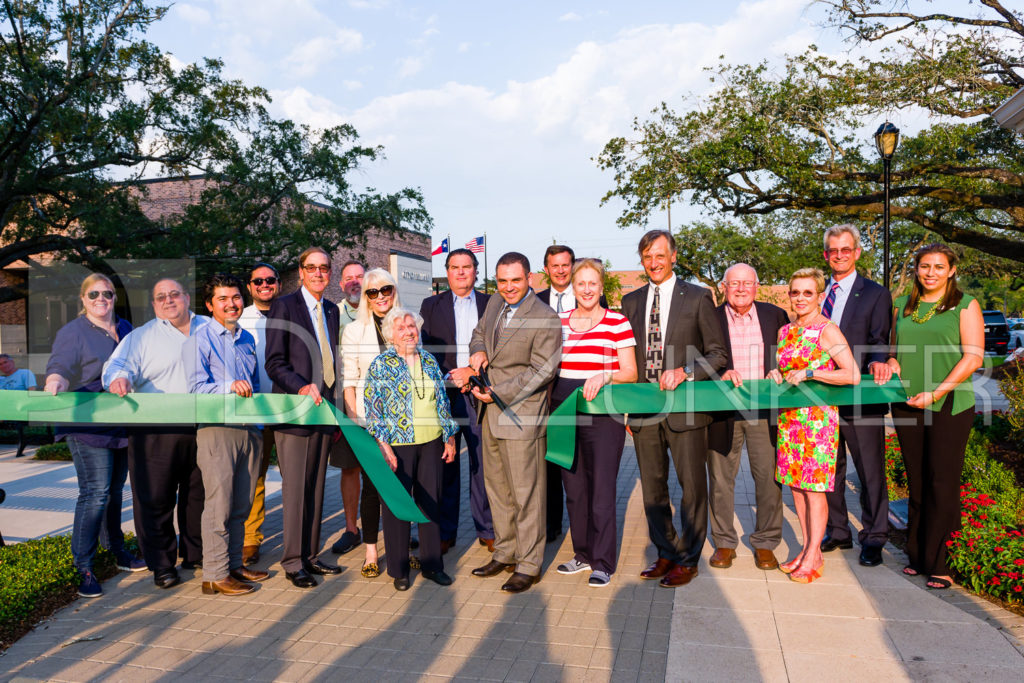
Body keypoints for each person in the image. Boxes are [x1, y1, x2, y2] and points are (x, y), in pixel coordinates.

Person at [620, 230, 728, 588]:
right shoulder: (630, 301)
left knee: (692, 487)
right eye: (647, 256)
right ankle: (665, 551)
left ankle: (689, 558)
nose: (654, 263)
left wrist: (685, 372)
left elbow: (718, 355)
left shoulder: (698, 298)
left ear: (674, 257)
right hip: (644, 410)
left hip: (686, 409)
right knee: (652, 488)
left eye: (660, 256)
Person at [874, 243, 983, 590]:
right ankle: (917, 554)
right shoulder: (903, 306)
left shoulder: (965, 305)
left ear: (951, 270)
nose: (930, 272)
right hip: (907, 402)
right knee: (917, 480)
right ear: (917, 269)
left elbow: (973, 358)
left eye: (938, 266)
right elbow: (895, 351)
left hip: (949, 403)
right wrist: (892, 363)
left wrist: (937, 392)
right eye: (924, 266)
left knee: (942, 482)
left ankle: (941, 562)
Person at [103, 277, 209, 590]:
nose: (168, 300)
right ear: (154, 304)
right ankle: (162, 564)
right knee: (155, 499)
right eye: (160, 296)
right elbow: (116, 365)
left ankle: (196, 553)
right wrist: (118, 380)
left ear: (187, 298)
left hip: (203, 425)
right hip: (154, 430)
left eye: (174, 294)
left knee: (198, 496)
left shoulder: (209, 328)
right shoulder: (142, 337)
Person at [44, 273, 145, 598]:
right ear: (83, 300)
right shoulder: (73, 332)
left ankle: (115, 550)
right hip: (87, 426)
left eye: (108, 294)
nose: (101, 299)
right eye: (94, 294)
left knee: (115, 492)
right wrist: (55, 381)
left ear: (115, 297)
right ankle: (84, 567)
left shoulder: (127, 329)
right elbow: (59, 365)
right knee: (96, 493)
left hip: (121, 425)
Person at [467, 252, 561, 594]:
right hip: (489, 413)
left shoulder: (545, 317)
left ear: (530, 279)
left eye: (515, 280)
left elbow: (543, 370)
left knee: (526, 494)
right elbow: (478, 333)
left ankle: (529, 563)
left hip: (520, 414)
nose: (508, 287)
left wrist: (499, 392)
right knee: (498, 490)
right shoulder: (494, 303)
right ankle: (505, 552)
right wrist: (477, 349)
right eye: (502, 280)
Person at [768, 268, 860, 584]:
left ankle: (813, 555)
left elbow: (852, 375)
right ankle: (809, 550)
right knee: (796, 488)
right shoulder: (785, 331)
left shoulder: (827, 331)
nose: (801, 298)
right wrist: (777, 375)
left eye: (808, 293)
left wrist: (811, 373)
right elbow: (786, 369)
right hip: (790, 418)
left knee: (814, 489)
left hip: (817, 421)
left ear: (820, 297)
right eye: (796, 292)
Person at [551, 258, 637, 587]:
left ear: (602, 288)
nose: (587, 289)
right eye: (581, 283)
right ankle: (582, 554)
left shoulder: (617, 322)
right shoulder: (558, 322)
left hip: (603, 413)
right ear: (573, 288)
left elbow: (630, 372)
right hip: (564, 411)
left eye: (593, 284)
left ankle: (603, 562)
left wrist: (605, 374)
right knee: (574, 490)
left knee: (601, 490)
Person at [183, 273, 269, 596]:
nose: (231, 304)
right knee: (218, 505)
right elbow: (194, 388)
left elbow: (255, 386)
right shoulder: (199, 340)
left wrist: (258, 428)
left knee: (241, 505)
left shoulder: (246, 338)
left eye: (235, 298)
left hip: (248, 431)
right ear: (210, 305)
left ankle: (234, 565)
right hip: (217, 430)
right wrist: (229, 387)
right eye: (223, 299)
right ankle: (214, 575)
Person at [364, 308, 459, 591]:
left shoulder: (429, 360)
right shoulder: (380, 364)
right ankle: (399, 569)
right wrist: (383, 446)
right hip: (397, 445)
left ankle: (432, 565)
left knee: (431, 503)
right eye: (401, 328)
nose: (408, 331)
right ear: (390, 335)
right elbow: (373, 409)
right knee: (397, 507)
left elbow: (442, 402)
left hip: (431, 442)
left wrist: (450, 437)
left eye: (411, 326)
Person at [264, 247, 343, 589]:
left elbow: (333, 363)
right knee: (296, 490)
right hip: (295, 412)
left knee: (316, 486)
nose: (318, 273)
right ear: (300, 272)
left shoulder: (331, 310)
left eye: (324, 268)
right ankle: (293, 560)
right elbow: (274, 362)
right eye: (311, 268)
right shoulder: (283, 306)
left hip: (324, 412)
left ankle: (309, 555)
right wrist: (300, 387)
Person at [706, 264, 790, 571]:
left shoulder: (775, 315)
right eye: (734, 284)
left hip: (763, 410)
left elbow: (787, 353)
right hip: (722, 411)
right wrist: (719, 371)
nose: (741, 289)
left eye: (747, 283)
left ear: (756, 286)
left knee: (768, 478)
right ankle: (725, 543)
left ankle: (766, 543)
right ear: (724, 287)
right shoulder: (711, 317)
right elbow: (699, 358)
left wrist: (781, 368)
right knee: (719, 479)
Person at [818, 224, 893, 568]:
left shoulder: (875, 293)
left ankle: (875, 536)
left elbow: (880, 339)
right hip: (822, 396)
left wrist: (879, 363)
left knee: (869, 471)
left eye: (845, 250)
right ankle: (838, 530)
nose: (839, 256)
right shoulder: (817, 294)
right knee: (830, 468)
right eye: (833, 251)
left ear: (857, 253)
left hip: (861, 394)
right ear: (825, 255)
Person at [420, 248, 494, 553]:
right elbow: (426, 351)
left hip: (480, 393)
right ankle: (446, 531)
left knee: (483, 464)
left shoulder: (492, 304)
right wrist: (451, 376)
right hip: (446, 396)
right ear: (447, 271)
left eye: (467, 267)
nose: (461, 272)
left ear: (476, 271)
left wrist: (472, 372)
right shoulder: (430, 305)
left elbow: (499, 345)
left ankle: (487, 529)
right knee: (447, 465)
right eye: (455, 267)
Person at [340, 268, 401, 579]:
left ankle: (399, 544)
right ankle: (371, 550)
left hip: (404, 419)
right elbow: (349, 380)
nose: (380, 297)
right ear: (365, 297)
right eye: (372, 292)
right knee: (373, 488)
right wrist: (355, 422)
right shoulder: (354, 331)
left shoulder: (406, 322)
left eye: (385, 289)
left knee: (401, 483)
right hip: (369, 420)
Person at [237, 262, 282, 566]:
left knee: (297, 476)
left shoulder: (291, 313)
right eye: (258, 281)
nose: (264, 284)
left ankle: (301, 535)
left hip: (291, 405)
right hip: (257, 407)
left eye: (270, 280)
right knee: (256, 476)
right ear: (250, 286)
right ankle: (251, 538)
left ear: (278, 283)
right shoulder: (240, 320)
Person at [330, 260, 367, 556]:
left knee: (385, 465)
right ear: (341, 285)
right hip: (345, 400)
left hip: (382, 404)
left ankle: (392, 524)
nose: (355, 282)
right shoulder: (333, 315)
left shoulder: (381, 311)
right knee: (350, 467)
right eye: (349, 278)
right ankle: (351, 528)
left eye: (359, 277)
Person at [0, 353, 38, 458]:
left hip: (21, 409)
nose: (3, 365)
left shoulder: (25, 373)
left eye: (5, 362)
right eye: (0, 364)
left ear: (12, 362)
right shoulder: (1, 380)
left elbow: (32, 392)